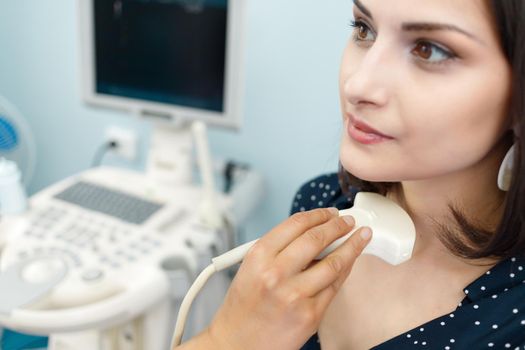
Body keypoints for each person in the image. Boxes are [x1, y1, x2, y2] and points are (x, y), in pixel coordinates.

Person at [175, 0, 525, 348]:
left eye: (428, 50)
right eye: (364, 29)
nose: (358, 86)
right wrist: (229, 337)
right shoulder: (321, 206)